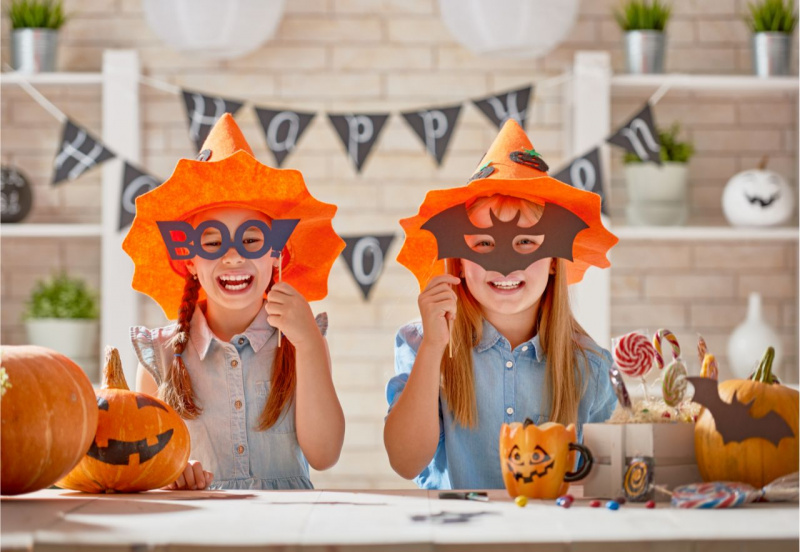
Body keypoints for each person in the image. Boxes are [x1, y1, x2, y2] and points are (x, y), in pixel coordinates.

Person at [385, 119, 619, 489]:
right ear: (458, 261)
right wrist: (433, 348)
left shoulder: (589, 366)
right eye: (483, 244)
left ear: (556, 261)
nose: (507, 264)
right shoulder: (422, 344)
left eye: (527, 243)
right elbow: (404, 460)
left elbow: (603, 479)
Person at [123, 114, 345, 490]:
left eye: (251, 240)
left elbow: (325, 454)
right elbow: (141, 468)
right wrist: (170, 474)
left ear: (277, 252)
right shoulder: (161, 354)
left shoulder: (302, 340)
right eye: (212, 243)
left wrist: (307, 342)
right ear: (189, 260)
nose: (232, 257)